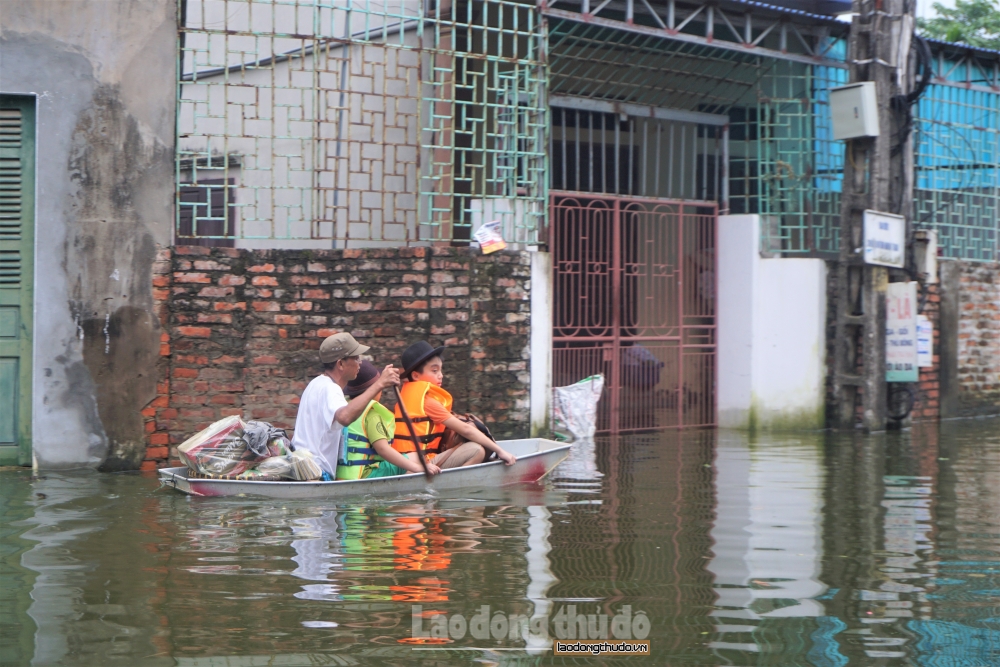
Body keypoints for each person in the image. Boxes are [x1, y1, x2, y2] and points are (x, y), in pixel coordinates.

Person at [391, 341, 516, 470]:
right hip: (419, 465)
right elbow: (465, 429)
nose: (441, 375)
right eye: (434, 371)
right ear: (416, 376)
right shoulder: (427, 402)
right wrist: (500, 451)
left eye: (440, 370)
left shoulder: (405, 398)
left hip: (407, 463)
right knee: (476, 450)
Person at [291, 332, 399, 476]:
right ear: (340, 363)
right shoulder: (331, 388)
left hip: (302, 466)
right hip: (316, 473)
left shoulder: (315, 383)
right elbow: (345, 417)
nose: (359, 362)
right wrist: (379, 384)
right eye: (356, 358)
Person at [337, 360, 442, 479]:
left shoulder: (346, 409)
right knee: (417, 457)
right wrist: (418, 468)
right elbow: (383, 450)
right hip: (367, 475)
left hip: (344, 475)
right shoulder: (372, 414)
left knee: (408, 462)